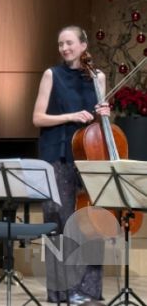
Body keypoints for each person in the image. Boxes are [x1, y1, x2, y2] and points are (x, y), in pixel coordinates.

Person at [33, 25, 109, 304]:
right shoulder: (51, 75)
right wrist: (70, 116)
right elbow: (38, 118)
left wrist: (105, 113)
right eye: (60, 44)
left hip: (89, 155)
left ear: (83, 45)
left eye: (69, 43)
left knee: (92, 223)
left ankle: (89, 290)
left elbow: (99, 122)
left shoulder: (98, 77)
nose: (64, 48)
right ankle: (61, 292)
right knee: (59, 223)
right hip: (57, 154)